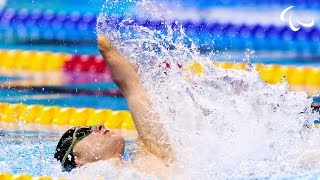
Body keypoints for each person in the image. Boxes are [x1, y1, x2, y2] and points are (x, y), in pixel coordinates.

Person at [54, 35, 175, 178]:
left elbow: (132, 87)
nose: (99, 126)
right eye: (82, 133)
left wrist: (106, 46)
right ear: (77, 160)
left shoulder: (149, 156)